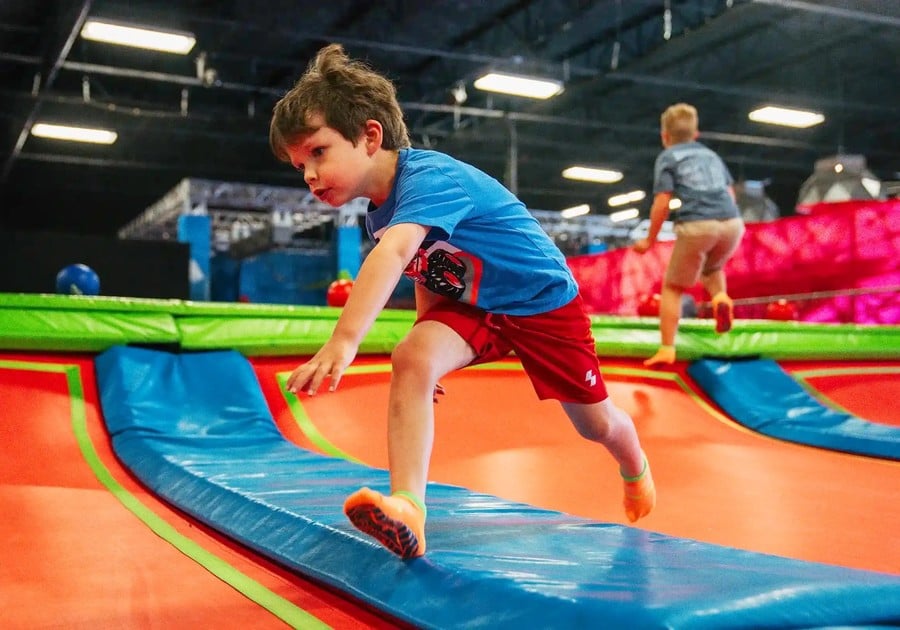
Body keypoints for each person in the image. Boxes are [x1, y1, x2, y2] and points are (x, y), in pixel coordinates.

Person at [271, 44, 655, 560]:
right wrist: (430, 349)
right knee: (411, 357)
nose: (310, 175)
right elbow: (428, 269)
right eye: (299, 165)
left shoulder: (430, 179)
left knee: (595, 424)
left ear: (370, 136)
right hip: (477, 306)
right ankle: (408, 506)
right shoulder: (381, 214)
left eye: (317, 153)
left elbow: (400, 252)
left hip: (540, 302)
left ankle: (635, 468)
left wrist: (344, 342)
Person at [633, 103, 745, 367]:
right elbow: (730, 194)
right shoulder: (711, 156)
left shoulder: (668, 156)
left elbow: (662, 202)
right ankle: (720, 298)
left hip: (698, 224)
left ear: (665, 136)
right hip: (732, 222)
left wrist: (650, 239)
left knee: (673, 287)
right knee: (712, 267)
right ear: (696, 134)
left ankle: (667, 347)